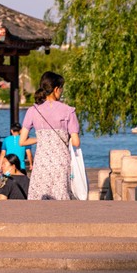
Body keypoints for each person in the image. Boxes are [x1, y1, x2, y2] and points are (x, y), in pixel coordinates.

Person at [19, 71, 81, 200]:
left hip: (42, 162)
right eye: (61, 88)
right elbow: (76, 142)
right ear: (56, 89)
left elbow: (22, 141)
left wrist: (41, 139)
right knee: (61, 197)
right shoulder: (68, 110)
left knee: (40, 198)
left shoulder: (33, 110)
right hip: (61, 161)